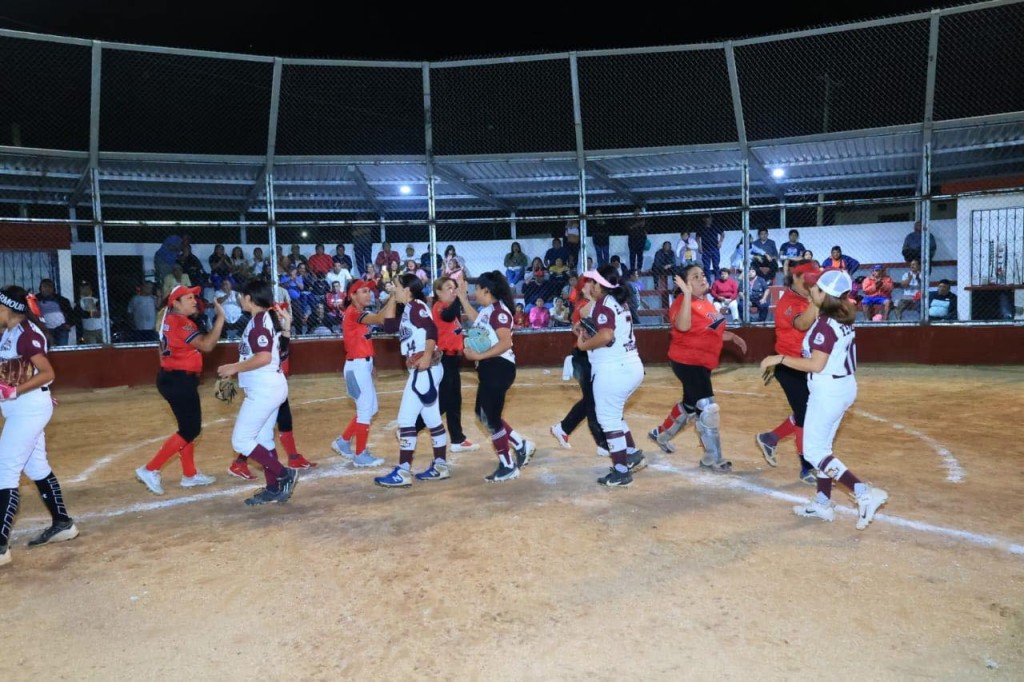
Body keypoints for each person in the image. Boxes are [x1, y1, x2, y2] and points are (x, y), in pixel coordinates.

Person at [759, 269, 889, 530]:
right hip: (841, 387)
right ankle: (822, 502)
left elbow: (816, 364)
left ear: (825, 295)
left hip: (828, 391)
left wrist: (780, 358)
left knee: (813, 451)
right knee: (822, 448)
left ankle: (863, 492)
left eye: (816, 289)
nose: (811, 291)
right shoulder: (840, 316)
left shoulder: (826, 325)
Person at [0, 286, 80, 567]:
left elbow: (48, 372)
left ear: (8, 309)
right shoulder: (9, 332)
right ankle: (62, 523)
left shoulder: (26, 335)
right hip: (24, 407)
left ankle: (0, 546)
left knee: (4, 469)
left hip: (27, 408)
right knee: (36, 468)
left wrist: (20, 391)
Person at [648, 264, 748, 472]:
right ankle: (714, 458)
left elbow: (711, 331)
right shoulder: (681, 303)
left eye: (702, 275)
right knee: (708, 408)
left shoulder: (707, 303)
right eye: (695, 277)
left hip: (703, 363)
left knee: (690, 405)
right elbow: (683, 326)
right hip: (687, 361)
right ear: (685, 284)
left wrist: (733, 337)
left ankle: (661, 433)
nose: (702, 278)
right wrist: (685, 294)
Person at [214, 279, 299, 506]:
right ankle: (273, 488)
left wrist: (234, 367)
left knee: (241, 440)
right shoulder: (262, 319)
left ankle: (284, 474)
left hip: (265, 389)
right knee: (263, 438)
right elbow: (275, 351)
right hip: (270, 386)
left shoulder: (260, 322)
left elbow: (264, 357)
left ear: (250, 298)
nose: (240, 298)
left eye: (242, 295)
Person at [135, 285, 224, 496]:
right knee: (190, 429)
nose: (195, 301)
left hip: (172, 377)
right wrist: (220, 318)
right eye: (189, 298)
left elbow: (161, 350)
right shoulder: (181, 323)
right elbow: (207, 344)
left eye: (194, 297)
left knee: (186, 428)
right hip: (179, 380)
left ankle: (190, 474)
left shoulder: (166, 319)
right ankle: (150, 469)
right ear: (176, 303)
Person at [454, 272, 536, 482]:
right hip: (490, 367)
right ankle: (519, 444)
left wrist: (479, 355)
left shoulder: (500, 312)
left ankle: (508, 465)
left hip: (499, 367)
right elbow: (476, 318)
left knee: (490, 417)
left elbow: (506, 342)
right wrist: (462, 297)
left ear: (486, 291)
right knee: (483, 415)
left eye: (477, 289)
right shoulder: (487, 310)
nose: (475, 293)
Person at [372, 274, 450, 487]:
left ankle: (404, 471)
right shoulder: (408, 309)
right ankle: (441, 466)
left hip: (424, 369)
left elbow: (431, 330)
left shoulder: (417, 306)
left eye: (397, 286)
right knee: (433, 420)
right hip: (426, 370)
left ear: (408, 290)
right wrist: (392, 297)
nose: (393, 288)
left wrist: (425, 356)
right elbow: (388, 326)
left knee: (406, 420)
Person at [575, 267, 647, 486]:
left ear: (602, 286)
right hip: (630, 365)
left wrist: (583, 344)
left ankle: (621, 471)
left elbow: (606, 335)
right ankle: (631, 453)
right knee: (613, 414)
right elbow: (592, 320)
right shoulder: (614, 302)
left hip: (614, 368)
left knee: (607, 419)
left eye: (593, 283)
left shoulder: (604, 303)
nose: (590, 285)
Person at [227, 303, 317, 481]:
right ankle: (278, 469)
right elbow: (267, 356)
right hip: (268, 386)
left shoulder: (272, 333)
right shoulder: (264, 331)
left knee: (266, 432)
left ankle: (276, 479)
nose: (278, 316)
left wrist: (287, 327)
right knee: (257, 434)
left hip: (273, 385)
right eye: (276, 313)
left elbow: (281, 350)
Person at [754, 261, 821, 484]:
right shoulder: (789, 302)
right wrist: (816, 300)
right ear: (795, 278)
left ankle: (770, 438)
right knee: (805, 414)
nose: (813, 284)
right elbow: (802, 324)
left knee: (812, 410)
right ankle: (807, 467)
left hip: (808, 364)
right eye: (809, 279)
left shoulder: (807, 298)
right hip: (789, 366)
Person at [409, 277, 480, 455]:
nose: (453, 290)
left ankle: (458, 439)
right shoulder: (439, 307)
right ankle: (410, 428)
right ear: (438, 292)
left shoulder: (452, 310)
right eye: (448, 288)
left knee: (455, 401)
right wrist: (460, 296)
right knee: (444, 403)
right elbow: (447, 316)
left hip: (454, 361)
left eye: (454, 287)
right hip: (445, 361)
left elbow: (455, 332)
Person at [331, 279, 396, 467]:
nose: (369, 294)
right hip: (356, 367)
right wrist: (393, 296)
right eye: (364, 291)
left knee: (370, 408)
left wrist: (372, 363)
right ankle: (360, 454)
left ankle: (343, 441)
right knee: (365, 410)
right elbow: (380, 319)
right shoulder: (354, 313)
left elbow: (368, 332)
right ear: (353, 295)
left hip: (362, 366)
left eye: (369, 291)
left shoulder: (358, 313)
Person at [550, 275, 610, 457]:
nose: (594, 286)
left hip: (593, 356)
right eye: (590, 284)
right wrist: (594, 297)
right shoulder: (582, 304)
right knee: (593, 400)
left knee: (591, 399)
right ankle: (602, 443)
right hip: (583, 358)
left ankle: (562, 428)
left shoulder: (596, 302)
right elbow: (582, 318)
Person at [35, 279, 74, 347]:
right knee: (46, 350)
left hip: (61, 329)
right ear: (40, 288)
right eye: (44, 287)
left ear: (53, 289)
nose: (47, 289)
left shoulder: (62, 300)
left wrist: (69, 324)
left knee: (62, 350)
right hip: (44, 329)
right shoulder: (35, 300)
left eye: (50, 286)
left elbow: (72, 314)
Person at [696, 214, 724, 285]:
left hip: (715, 249)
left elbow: (722, 234)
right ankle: (708, 282)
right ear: (704, 219)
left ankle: (717, 282)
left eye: (710, 218)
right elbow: (697, 237)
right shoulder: (701, 228)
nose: (709, 220)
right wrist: (699, 246)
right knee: (706, 267)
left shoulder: (715, 226)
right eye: (707, 219)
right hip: (705, 250)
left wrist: (720, 242)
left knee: (716, 266)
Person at [626, 209, 648, 274]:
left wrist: (643, 226)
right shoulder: (630, 220)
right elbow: (629, 228)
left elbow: (647, 229)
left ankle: (639, 269)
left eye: (639, 212)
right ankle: (632, 269)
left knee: (640, 255)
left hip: (641, 240)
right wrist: (638, 224)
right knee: (632, 255)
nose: (637, 213)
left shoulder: (643, 220)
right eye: (636, 211)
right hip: (632, 240)